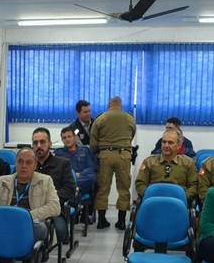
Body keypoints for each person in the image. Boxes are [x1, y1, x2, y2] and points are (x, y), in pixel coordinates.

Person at [0, 148, 60, 245]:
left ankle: (8, 250)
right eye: (20, 161)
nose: (23, 166)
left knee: (40, 228)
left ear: (35, 165)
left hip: (29, 223)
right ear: (15, 163)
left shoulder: (46, 181)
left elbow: (55, 207)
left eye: (28, 163)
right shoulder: (0, 181)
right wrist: (2, 215)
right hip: (5, 222)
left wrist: (25, 216)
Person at [90, 95, 136, 230]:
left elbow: (93, 141)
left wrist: (97, 150)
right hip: (124, 156)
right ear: (121, 105)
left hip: (105, 155)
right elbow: (131, 135)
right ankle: (121, 221)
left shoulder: (101, 118)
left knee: (103, 188)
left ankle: (101, 220)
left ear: (109, 105)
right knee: (123, 188)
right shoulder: (129, 118)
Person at [32, 127, 76, 243]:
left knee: (59, 232)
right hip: (29, 208)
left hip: (53, 210)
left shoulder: (62, 164)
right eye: (35, 143)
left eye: (43, 142)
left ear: (50, 143)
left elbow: (70, 190)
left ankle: (39, 254)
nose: (39, 146)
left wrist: (46, 199)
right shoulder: (27, 164)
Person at [135, 128, 198, 202]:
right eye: (164, 142)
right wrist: (149, 195)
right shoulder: (149, 162)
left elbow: (194, 185)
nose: (166, 145)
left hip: (178, 202)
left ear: (178, 146)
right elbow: (140, 183)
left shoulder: (188, 163)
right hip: (153, 201)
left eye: (170, 143)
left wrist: (183, 196)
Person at [55, 126, 97, 196]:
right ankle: (73, 191)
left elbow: (91, 167)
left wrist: (79, 174)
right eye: (64, 138)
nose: (67, 139)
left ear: (75, 137)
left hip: (80, 179)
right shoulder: (59, 153)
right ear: (62, 140)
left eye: (69, 136)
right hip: (66, 179)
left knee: (92, 177)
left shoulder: (85, 151)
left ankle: (70, 190)